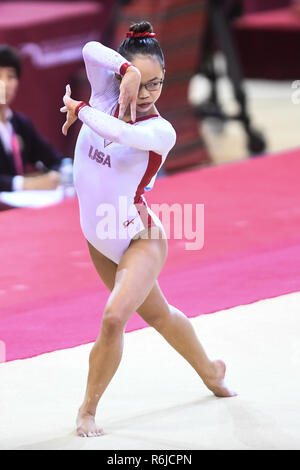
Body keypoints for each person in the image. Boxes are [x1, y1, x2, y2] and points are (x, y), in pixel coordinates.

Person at [61, 21, 237, 438]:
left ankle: (87, 410)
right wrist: (126, 72)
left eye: (155, 84)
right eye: (140, 84)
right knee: (159, 314)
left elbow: (117, 131)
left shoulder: (161, 131)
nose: (146, 94)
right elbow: (89, 49)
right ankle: (211, 372)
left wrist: (81, 109)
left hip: (140, 238)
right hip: (99, 237)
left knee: (112, 319)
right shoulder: (108, 91)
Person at [0, 45, 62, 192]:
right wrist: (26, 184)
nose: (5, 85)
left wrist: (56, 174)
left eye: (10, 77)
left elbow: (54, 160)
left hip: (20, 208)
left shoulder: (20, 124)